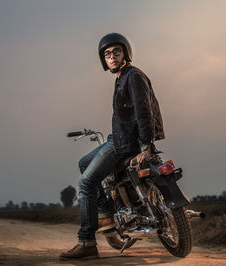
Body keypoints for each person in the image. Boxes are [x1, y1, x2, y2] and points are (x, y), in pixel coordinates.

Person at [59, 33, 165, 260]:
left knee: (86, 182)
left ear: (125, 53)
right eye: (107, 54)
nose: (112, 57)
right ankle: (105, 213)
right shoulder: (122, 77)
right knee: (83, 162)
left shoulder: (133, 76)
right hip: (117, 138)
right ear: (103, 59)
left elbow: (144, 111)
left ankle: (86, 242)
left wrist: (146, 145)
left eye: (116, 52)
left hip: (124, 143)